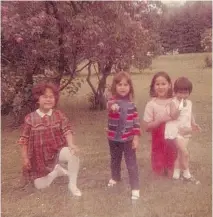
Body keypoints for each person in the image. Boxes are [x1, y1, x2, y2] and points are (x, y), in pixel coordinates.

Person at [18, 82, 82, 196]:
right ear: (38, 99)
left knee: (73, 153)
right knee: (40, 186)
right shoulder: (30, 118)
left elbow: (67, 131)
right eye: (45, 97)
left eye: (51, 97)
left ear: (55, 99)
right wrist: (25, 158)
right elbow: (24, 140)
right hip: (39, 158)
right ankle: (56, 171)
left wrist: (71, 145)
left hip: (58, 151)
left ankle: (72, 185)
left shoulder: (59, 115)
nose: (48, 100)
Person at [106, 71, 141, 200]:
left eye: (126, 84)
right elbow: (109, 106)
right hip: (113, 138)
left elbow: (136, 123)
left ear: (130, 87)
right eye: (119, 84)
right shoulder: (111, 102)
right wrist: (113, 106)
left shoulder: (132, 105)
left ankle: (135, 187)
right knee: (115, 159)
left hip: (128, 139)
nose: (122, 87)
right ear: (115, 86)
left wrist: (136, 138)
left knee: (131, 162)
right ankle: (115, 177)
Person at [164, 77, 201, 182]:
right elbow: (174, 116)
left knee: (180, 154)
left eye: (186, 93)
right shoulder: (173, 103)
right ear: (175, 92)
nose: (183, 96)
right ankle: (187, 174)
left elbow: (190, 114)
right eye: (180, 92)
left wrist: (193, 124)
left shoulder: (189, 103)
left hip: (186, 130)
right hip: (176, 131)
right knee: (185, 153)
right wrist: (180, 107)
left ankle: (176, 175)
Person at [143, 71, 177, 177]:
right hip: (158, 138)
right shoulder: (151, 104)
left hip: (173, 136)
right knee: (159, 168)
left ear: (169, 85)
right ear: (153, 87)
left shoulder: (175, 101)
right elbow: (147, 127)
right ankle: (160, 169)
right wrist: (159, 121)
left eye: (163, 84)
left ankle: (173, 168)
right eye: (157, 84)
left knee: (173, 158)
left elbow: (181, 117)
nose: (160, 87)